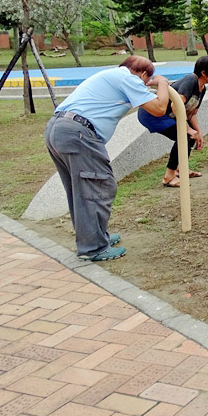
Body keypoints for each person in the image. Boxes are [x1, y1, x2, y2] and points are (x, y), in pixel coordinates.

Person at [45, 56, 170, 262]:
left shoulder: (110, 76)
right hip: (79, 133)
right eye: (146, 81)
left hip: (58, 129)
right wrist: (163, 83)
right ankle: (93, 247)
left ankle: (94, 238)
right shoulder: (129, 78)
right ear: (144, 75)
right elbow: (159, 108)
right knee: (99, 186)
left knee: (81, 189)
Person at [137, 55, 208, 187]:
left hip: (168, 115)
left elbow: (191, 113)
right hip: (152, 114)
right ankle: (168, 177)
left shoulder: (202, 88)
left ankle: (181, 169)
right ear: (204, 73)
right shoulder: (191, 80)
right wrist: (188, 129)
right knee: (184, 136)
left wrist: (198, 133)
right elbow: (175, 106)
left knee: (190, 136)